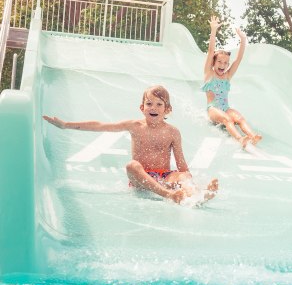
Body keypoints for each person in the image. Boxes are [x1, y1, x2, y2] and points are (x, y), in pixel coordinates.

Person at [43, 85, 218, 204]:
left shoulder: (173, 132)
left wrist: (186, 181)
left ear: (167, 110)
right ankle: (169, 195)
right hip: (141, 178)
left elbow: (182, 166)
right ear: (142, 107)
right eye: (149, 104)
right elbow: (101, 125)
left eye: (159, 104)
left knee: (182, 176)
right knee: (131, 165)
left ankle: (198, 196)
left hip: (164, 176)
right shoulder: (135, 126)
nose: (153, 108)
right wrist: (66, 125)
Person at [202, 16, 262, 148]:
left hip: (226, 108)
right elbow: (211, 51)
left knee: (239, 118)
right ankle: (240, 139)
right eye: (219, 62)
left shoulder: (228, 75)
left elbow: (239, 59)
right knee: (227, 119)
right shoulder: (209, 74)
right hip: (213, 109)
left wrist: (243, 39)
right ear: (213, 62)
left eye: (225, 63)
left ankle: (252, 136)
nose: (223, 65)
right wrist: (213, 30)